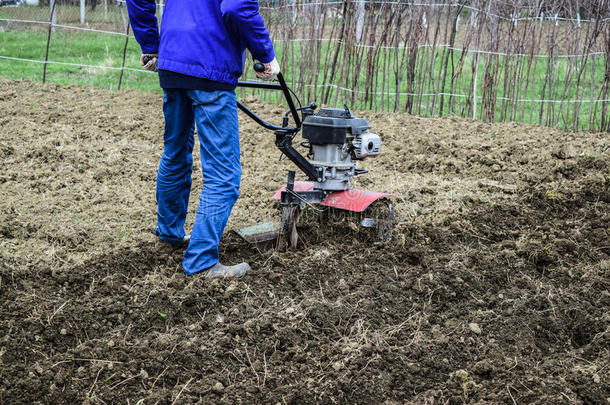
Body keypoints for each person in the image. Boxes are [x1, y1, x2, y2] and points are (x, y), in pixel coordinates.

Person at [126, 0, 279, 277]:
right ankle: (201, 261)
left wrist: (150, 43)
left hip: (171, 61)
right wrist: (264, 54)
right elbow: (236, 7)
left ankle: (168, 237)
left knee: (175, 152)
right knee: (223, 174)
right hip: (211, 63)